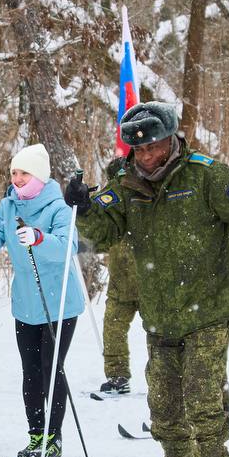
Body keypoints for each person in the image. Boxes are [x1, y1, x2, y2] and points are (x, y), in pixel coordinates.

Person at [65, 102, 229, 457]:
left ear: (171, 139)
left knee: (202, 390)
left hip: (209, 304)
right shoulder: (125, 183)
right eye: (138, 150)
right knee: (163, 397)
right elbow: (101, 235)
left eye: (154, 147)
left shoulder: (204, 174)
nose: (146, 157)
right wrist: (84, 207)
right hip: (160, 310)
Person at [0, 144, 83, 457]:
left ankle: (53, 439)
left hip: (59, 303)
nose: (17, 179)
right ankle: (35, 435)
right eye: (14, 173)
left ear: (39, 176)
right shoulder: (8, 206)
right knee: (30, 372)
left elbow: (67, 247)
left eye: (23, 173)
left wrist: (39, 238)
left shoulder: (58, 208)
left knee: (50, 370)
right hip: (26, 303)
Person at [98, 157, 138, 396]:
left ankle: (166, 381)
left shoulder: (146, 199)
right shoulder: (108, 203)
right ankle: (117, 376)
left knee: (160, 338)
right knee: (112, 329)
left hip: (150, 282)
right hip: (119, 284)